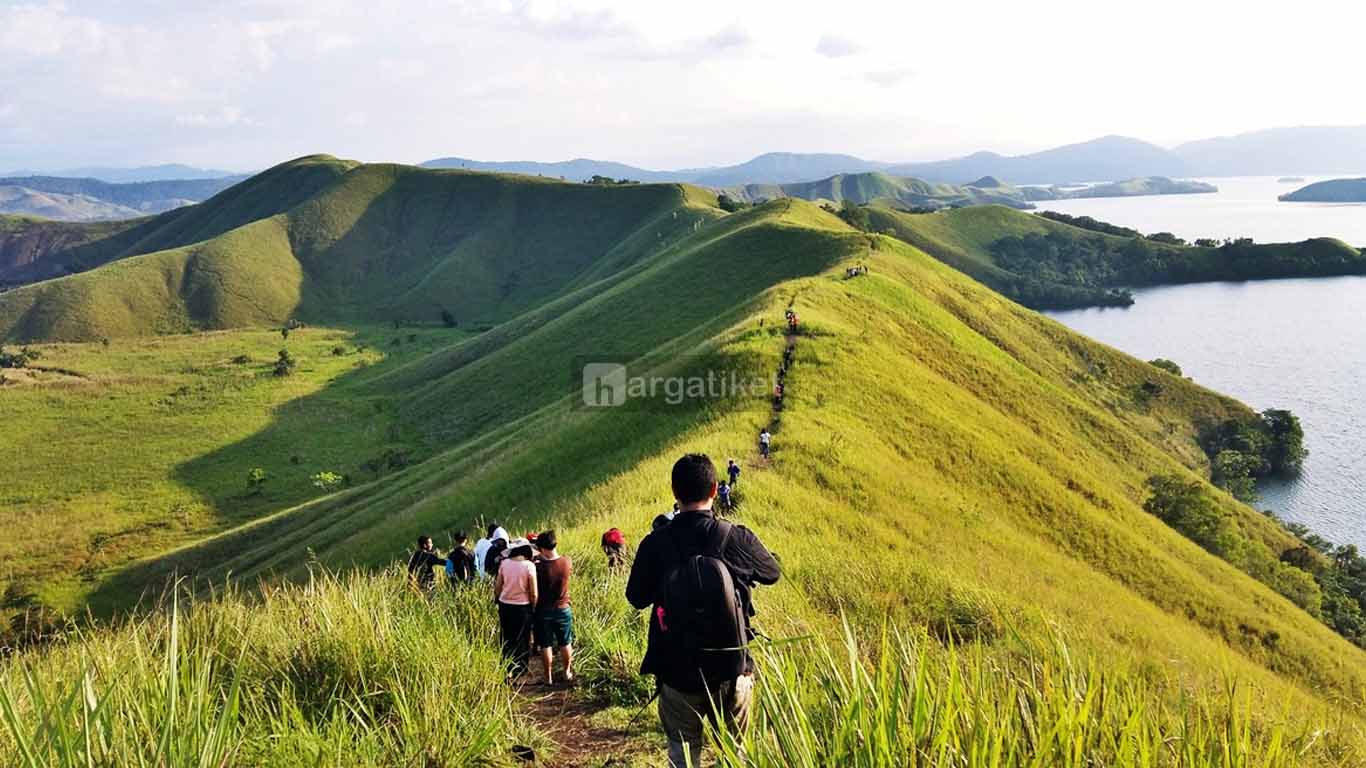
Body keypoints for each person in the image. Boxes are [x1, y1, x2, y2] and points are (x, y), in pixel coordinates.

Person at [627, 454, 780, 768]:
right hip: (732, 668)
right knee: (734, 754)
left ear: (674, 491)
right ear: (714, 490)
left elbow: (636, 598)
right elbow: (772, 573)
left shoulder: (655, 544)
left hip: (676, 670)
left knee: (682, 757)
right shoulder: (735, 536)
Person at [533, 530, 575, 686]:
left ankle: (547, 676)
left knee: (546, 644)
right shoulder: (567, 561)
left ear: (542, 548)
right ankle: (567, 672)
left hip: (543, 610)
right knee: (565, 642)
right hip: (563, 607)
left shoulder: (538, 566)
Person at [493, 537, 538, 679]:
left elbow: (498, 586)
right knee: (523, 638)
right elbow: (534, 592)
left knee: (507, 637)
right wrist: (533, 606)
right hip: (523, 607)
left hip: (505, 605)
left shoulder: (504, 564)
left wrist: (498, 600)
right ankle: (521, 667)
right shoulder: (529, 566)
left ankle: (508, 666)